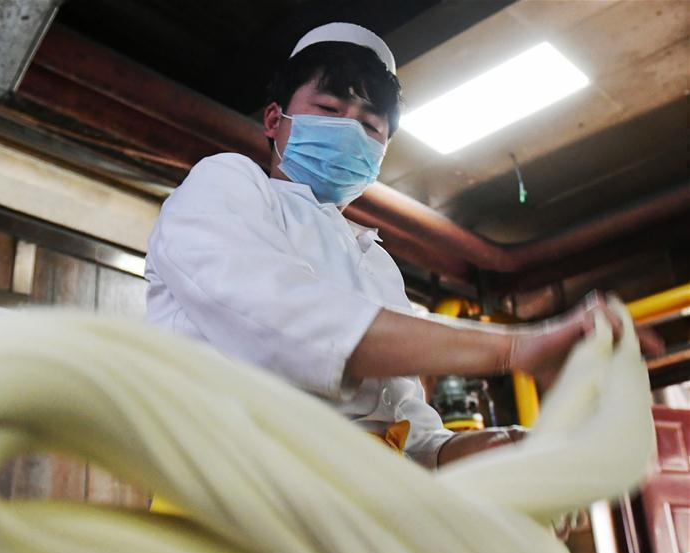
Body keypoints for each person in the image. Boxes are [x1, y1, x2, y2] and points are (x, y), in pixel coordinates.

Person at [144, 23, 663, 468]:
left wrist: (469, 450)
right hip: (230, 500)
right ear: (276, 121)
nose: (351, 130)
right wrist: (514, 348)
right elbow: (280, 321)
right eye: (329, 107)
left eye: (371, 126)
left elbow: (403, 426)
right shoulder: (228, 184)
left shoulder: (376, 264)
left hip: (352, 517)